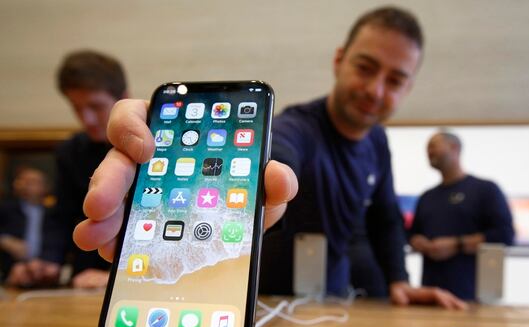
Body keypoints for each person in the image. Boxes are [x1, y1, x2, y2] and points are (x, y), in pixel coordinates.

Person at [73, 6, 466, 309]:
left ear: (409, 87)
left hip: (335, 304)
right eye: (365, 68)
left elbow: (384, 217)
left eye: (395, 80)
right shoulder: (297, 127)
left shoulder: (377, 140)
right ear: (339, 60)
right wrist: (178, 160)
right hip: (268, 306)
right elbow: (272, 157)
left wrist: (399, 281)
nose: (376, 90)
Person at [409, 130, 515, 300]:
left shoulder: (485, 190)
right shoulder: (427, 197)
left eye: (433, 146)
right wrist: (416, 241)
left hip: (473, 296)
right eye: (426, 148)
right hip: (432, 295)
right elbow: (412, 233)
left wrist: (456, 244)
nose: (429, 152)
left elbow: (504, 235)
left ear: (454, 147)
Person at [55, 50, 128, 288]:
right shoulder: (69, 151)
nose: (86, 119)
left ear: (124, 99)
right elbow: (62, 219)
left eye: (95, 106)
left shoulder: (152, 145)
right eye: (76, 108)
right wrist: (48, 265)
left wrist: (117, 277)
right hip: (82, 279)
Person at [0, 167, 64, 287]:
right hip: (11, 273)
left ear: (45, 188)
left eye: (32, 182)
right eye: (21, 180)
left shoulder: (54, 214)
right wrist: (4, 240)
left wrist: (44, 263)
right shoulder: (5, 209)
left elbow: (59, 243)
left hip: (45, 271)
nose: (24, 185)